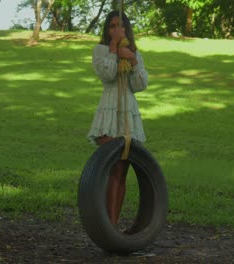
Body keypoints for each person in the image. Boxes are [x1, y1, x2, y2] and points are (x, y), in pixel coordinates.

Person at [87, 10, 148, 226]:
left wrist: (132, 59)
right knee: (110, 167)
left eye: (119, 26)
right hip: (110, 111)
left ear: (127, 29)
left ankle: (112, 225)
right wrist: (114, 49)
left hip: (128, 113)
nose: (115, 30)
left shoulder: (134, 53)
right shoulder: (100, 50)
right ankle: (104, 224)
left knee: (122, 171)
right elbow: (108, 74)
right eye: (111, 26)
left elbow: (140, 85)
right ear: (106, 30)